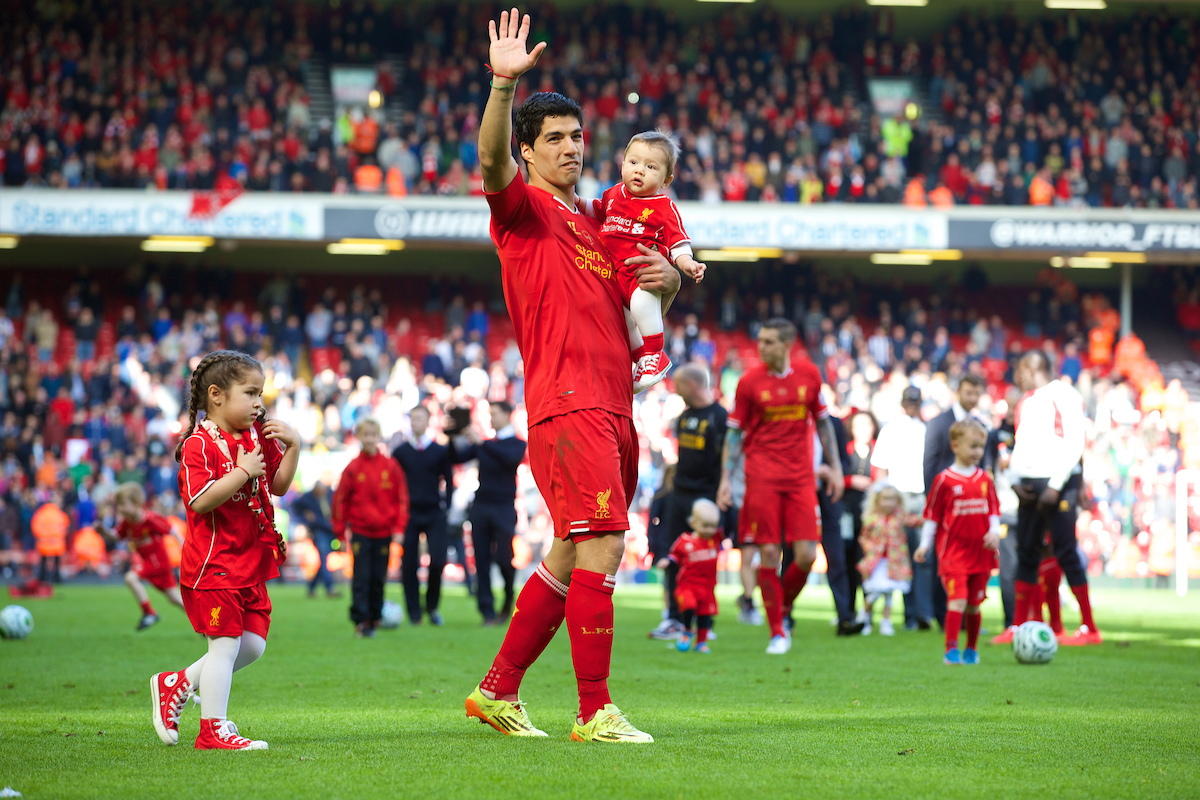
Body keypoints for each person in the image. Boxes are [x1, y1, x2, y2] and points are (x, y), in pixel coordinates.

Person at [464, 8, 679, 744]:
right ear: (529, 151)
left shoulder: (594, 220)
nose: (571, 148)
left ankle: (497, 692)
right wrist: (502, 88)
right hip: (568, 401)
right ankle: (594, 710)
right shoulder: (521, 212)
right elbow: (490, 161)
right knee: (604, 546)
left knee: (568, 551)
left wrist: (669, 287)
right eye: (552, 138)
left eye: (577, 137)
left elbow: (642, 293)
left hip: (615, 403)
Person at [151, 350, 299, 750]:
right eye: (250, 393)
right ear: (216, 395)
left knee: (253, 645)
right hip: (214, 564)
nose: (258, 403)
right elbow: (199, 501)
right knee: (226, 645)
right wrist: (241, 472)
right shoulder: (199, 445)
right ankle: (212, 730)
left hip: (251, 560)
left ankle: (177, 683)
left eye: (260, 394)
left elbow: (278, 486)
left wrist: (295, 448)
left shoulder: (256, 434)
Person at [716, 318, 845, 655]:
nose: (762, 348)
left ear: (787, 344)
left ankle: (783, 607)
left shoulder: (810, 376)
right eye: (761, 341)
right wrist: (727, 480)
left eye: (769, 342)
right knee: (769, 553)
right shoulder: (748, 383)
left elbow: (823, 424)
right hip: (762, 478)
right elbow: (733, 434)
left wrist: (834, 467)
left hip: (801, 478)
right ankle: (777, 631)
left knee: (805, 556)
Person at [587, 132, 706, 392]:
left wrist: (687, 264)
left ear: (666, 180)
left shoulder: (664, 207)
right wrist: (572, 202)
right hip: (616, 276)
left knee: (641, 305)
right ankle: (643, 360)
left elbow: (678, 243)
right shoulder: (613, 193)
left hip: (642, 275)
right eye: (633, 162)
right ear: (622, 164)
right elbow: (596, 209)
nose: (639, 170)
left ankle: (655, 354)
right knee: (627, 323)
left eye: (650, 167)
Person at [1005, 351, 1101, 646]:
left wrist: (1056, 485)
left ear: (1033, 366)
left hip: (1057, 483)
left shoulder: (1064, 394)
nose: (1016, 376)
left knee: (1065, 551)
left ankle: (1089, 627)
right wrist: (1014, 481)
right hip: (1030, 486)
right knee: (1026, 552)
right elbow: (1020, 446)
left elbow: (1074, 442)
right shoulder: (1027, 400)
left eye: (1019, 369)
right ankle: (1018, 626)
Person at [649, 363, 727, 640]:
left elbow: (723, 462)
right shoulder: (683, 418)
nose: (675, 390)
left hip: (706, 497)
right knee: (674, 556)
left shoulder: (720, 418)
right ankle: (673, 618)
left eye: (678, 385)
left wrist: (720, 494)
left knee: (703, 560)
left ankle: (702, 620)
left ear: (691, 385)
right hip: (679, 496)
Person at [915, 420, 1000, 665]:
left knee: (974, 604)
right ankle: (951, 650)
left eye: (980, 447)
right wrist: (924, 545)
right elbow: (932, 516)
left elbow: (994, 510)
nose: (977, 452)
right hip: (953, 553)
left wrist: (994, 532)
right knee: (958, 599)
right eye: (972, 446)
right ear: (955, 445)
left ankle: (971, 650)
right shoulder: (944, 480)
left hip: (981, 553)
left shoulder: (985, 478)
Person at [452, 401, 527, 625]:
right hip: (481, 506)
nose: (492, 418)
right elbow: (457, 457)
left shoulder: (516, 443)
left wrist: (481, 443)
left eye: (495, 414)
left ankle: (507, 596)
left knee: (505, 558)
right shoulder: (485, 444)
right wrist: (455, 434)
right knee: (481, 559)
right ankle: (487, 610)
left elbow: (508, 459)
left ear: (507, 415)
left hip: (504, 507)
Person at [922, 374, 987, 628]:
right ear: (958, 391)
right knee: (946, 560)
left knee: (971, 562)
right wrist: (935, 505)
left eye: (976, 393)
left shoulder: (981, 425)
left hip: (973, 509)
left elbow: (986, 464)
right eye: (968, 392)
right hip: (947, 507)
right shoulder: (939, 423)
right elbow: (930, 465)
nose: (972, 398)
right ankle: (943, 615)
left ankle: (966, 616)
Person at [333, 418, 408, 637]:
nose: (369, 439)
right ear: (359, 437)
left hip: (384, 532)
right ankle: (360, 621)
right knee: (361, 577)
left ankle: (375, 618)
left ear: (379, 437)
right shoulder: (353, 468)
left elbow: (401, 499)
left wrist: (399, 528)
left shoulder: (390, 466)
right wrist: (340, 531)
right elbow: (340, 501)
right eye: (365, 435)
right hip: (360, 532)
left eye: (373, 435)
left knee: (378, 577)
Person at [871, 385, 932, 630]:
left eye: (915, 401)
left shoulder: (927, 429)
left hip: (920, 496)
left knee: (923, 556)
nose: (912, 405)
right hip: (898, 498)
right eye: (909, 401)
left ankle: (923, 613)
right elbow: (881, 470)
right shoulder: (891, 429)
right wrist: (883, 502)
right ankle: (910, 614)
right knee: (902, 556)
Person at [392, 406, 454, 627]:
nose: (415, 422)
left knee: (438, 561)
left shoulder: (439, 451)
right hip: (408, 514)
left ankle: (432, 606)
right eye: (413, 418)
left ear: (428, 421)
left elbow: (449, 480)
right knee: (408, 564)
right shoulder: (400, 452)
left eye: (419, 418)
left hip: (434, 512)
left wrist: (447, 507)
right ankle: (414, 613)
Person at [102, 482, 185, 630]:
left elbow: (172, 529)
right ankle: (204, 623)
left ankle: (150, 613)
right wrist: (103, 531)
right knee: (174, 598)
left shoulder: (149, 518)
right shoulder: (128, 522)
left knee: (130, 578)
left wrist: (183, 547)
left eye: (123, 504)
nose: (120, 509)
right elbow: (116, 535)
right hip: (154, 563)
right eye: (119, 505)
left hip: (157, 562)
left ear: (137, 503)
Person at [857, 484, 911, 636]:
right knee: (874, 591)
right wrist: (870, 549)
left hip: (893, 562)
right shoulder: (872, 518)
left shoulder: (899, 517)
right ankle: (864, 618)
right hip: (876, 562)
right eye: (885, 499)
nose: (889, 503)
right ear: (878, 500)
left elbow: (915, 520)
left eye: (892, 499)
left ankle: (886, 622)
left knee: (889, 593)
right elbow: (864, 537)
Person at [669, 499, 721, 654]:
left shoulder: (714, 540)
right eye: (705, 525)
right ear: (693, 522)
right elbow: (675, 556)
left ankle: (701, 642)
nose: (710, 530)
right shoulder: (685, 541)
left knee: (706, 614)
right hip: (688, 585)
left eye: (713, 526)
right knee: (689, 606)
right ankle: (686, 630)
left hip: (707, 587)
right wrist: (668, 562)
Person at [842, 410, 879, 621]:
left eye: (867, 424)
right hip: (848, 515)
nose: (864, 430)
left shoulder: (879, 451)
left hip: (871, 518)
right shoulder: (845, 452)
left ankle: (867, 612)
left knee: (868, 563)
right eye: (859, 425)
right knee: (847, 562)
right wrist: (851, 481)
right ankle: (847, 611)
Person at [293, 480, 342, 599]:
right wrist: (305, 518)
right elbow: (295, 507)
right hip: (319, 531)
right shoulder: (307, 498)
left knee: (324, 560)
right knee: (324, 557)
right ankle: (330, 588)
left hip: (331, 531)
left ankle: (311, 587)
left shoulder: (331, 494)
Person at [31, 492, 69, 583]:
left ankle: (42, 578)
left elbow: (35, 525)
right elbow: (65, 526)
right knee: (57, 562)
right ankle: (57, 578)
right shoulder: (59, 514)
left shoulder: (41, 512)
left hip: (43, 542)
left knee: (43, 562)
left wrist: (41, 536)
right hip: (56, 543)